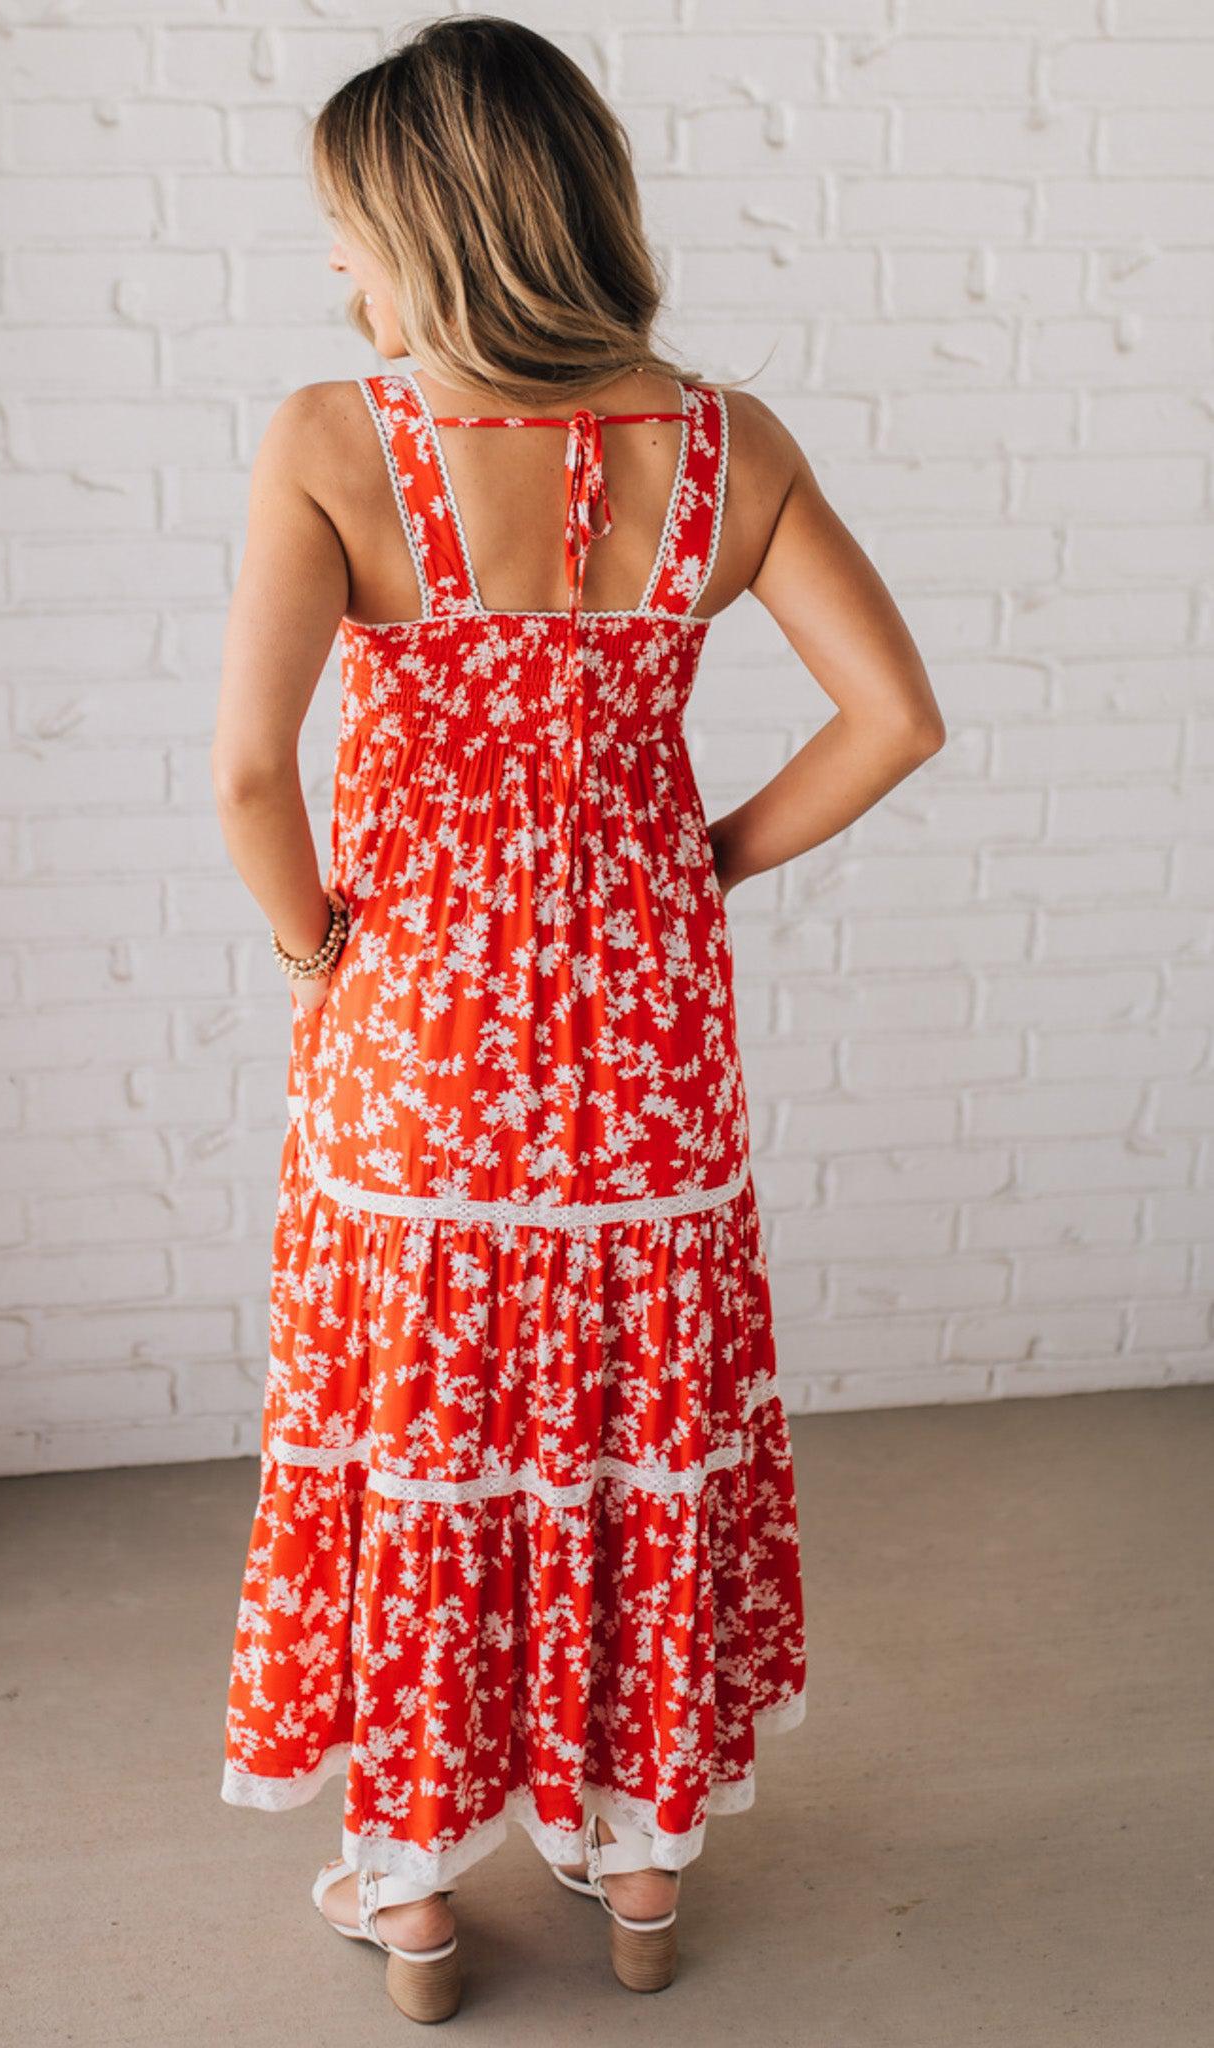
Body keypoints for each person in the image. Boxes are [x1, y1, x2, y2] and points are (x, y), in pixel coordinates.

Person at [212, 15, 945, 2024]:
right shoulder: (723, 446)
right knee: (621, 1430)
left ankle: (416, 1895)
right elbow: (894, 721)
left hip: (419, 1044)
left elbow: (249, 782)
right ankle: (634, 1877)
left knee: (429, 1431)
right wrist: (685, 863)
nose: (339, 277)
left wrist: (316, 956)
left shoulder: (332, 440)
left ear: (432, 233)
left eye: (348, 235)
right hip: (645, 1047)